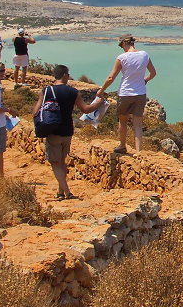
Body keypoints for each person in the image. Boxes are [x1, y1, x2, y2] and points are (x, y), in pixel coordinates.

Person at [38, 65, 107, 199]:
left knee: (55, 163)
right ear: (64, 75)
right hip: (67, 130)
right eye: (68, 74)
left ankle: (67, 192)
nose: (69, 76)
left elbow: (36, 110)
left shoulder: (46, 91)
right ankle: (60, 192)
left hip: (53, 130)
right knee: (62, 161)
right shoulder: (73, 92)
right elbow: (86, 109)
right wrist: (98, 104)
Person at [99, 34, 156, 153]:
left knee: (123, 120)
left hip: (125, 93)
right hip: (140, 93)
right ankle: (139, 152)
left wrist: (102, 90)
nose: (122, 48)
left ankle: (122, 146)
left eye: (121, 46)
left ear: (124, 43)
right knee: (138, 124)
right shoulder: (144, 55)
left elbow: (111, 77)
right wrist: (144, 80)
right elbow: (153, 73)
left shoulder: (122, 57)